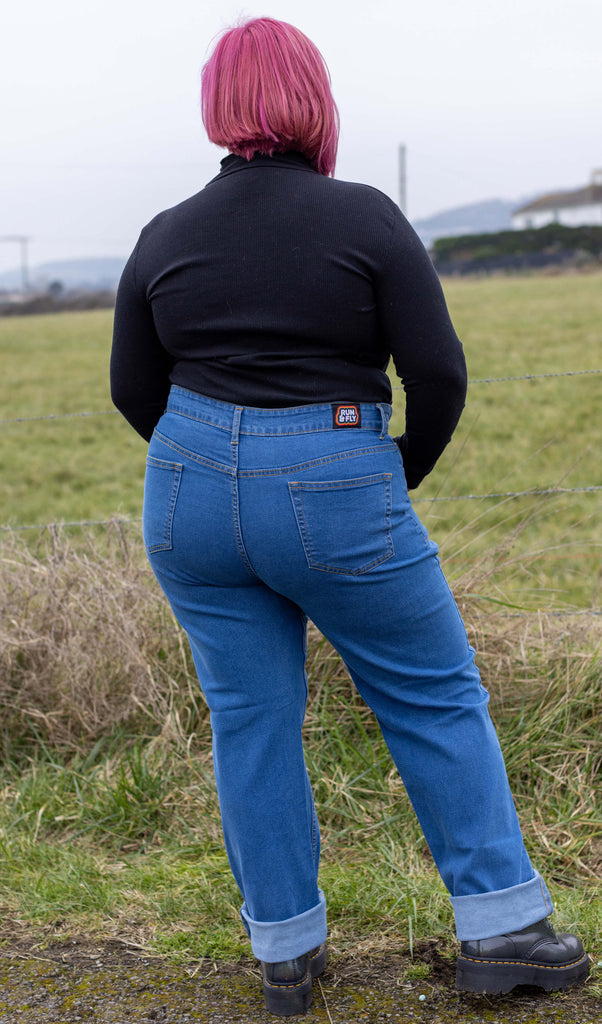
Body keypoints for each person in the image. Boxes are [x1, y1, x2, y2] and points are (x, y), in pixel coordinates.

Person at [110, 17, 588, 1017]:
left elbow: (130, 387)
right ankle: (502, 931)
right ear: (312, 99)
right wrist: (392, 468)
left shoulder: (163, 232)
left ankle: (285, 953)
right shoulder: (362, 217)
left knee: (249, 719)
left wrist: (212, 457)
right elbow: (438, 372)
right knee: (430, 695)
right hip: (333, 476)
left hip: (186, 486)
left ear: (216, 107)